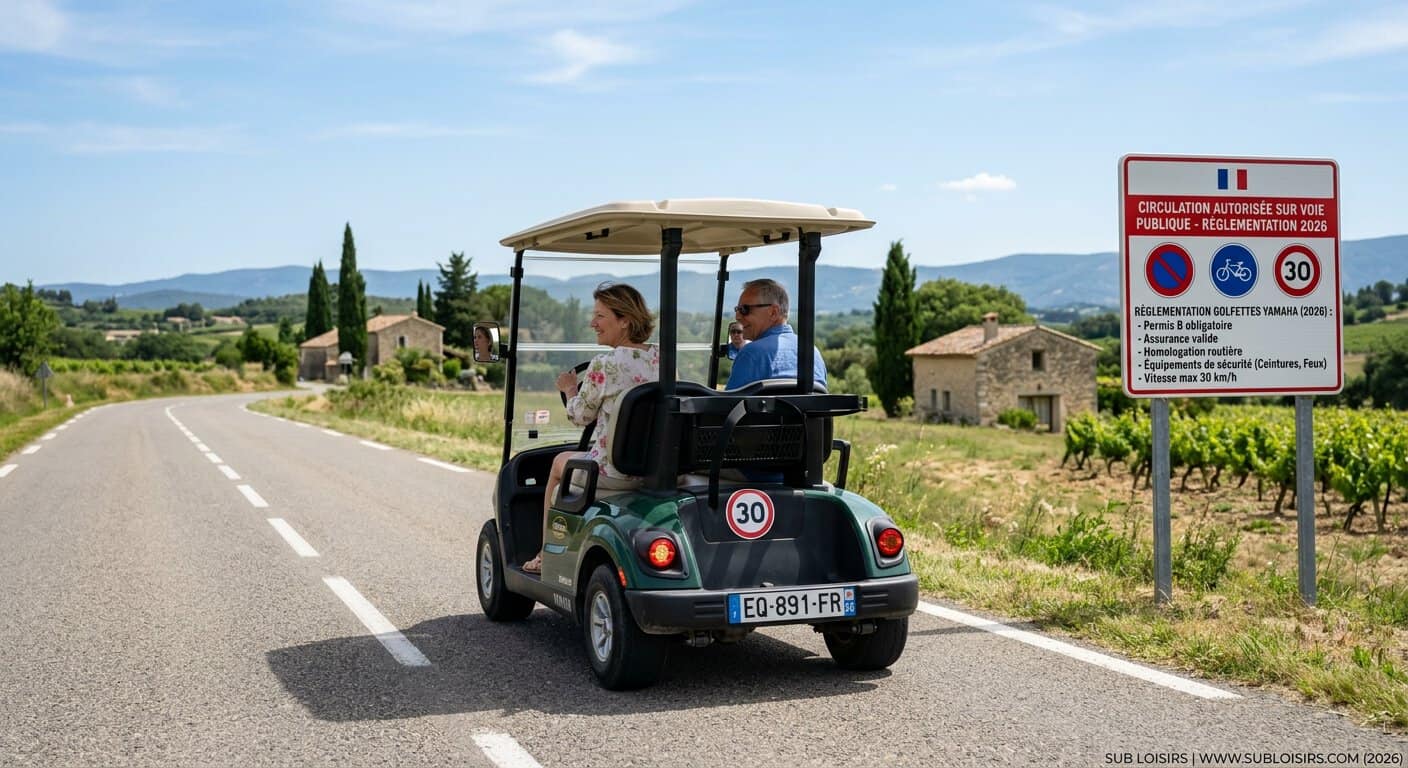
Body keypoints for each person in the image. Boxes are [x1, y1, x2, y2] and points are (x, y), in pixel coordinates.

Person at [523, 282, 659, 575]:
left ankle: (546, 553)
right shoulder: (662, 358)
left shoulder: (604, 364)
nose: (592, 323)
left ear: (625, 320)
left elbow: (580, 416)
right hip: (654, 468)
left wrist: (570, 389)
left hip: (613, 472)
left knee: (558, 464)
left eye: (600, 316)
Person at [725, 278, 827, 390]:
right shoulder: (813, 353)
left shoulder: (751, 354)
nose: (737, 317)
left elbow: (728, 401)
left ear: (773, 312)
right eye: (737, 310)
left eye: (744, 309)